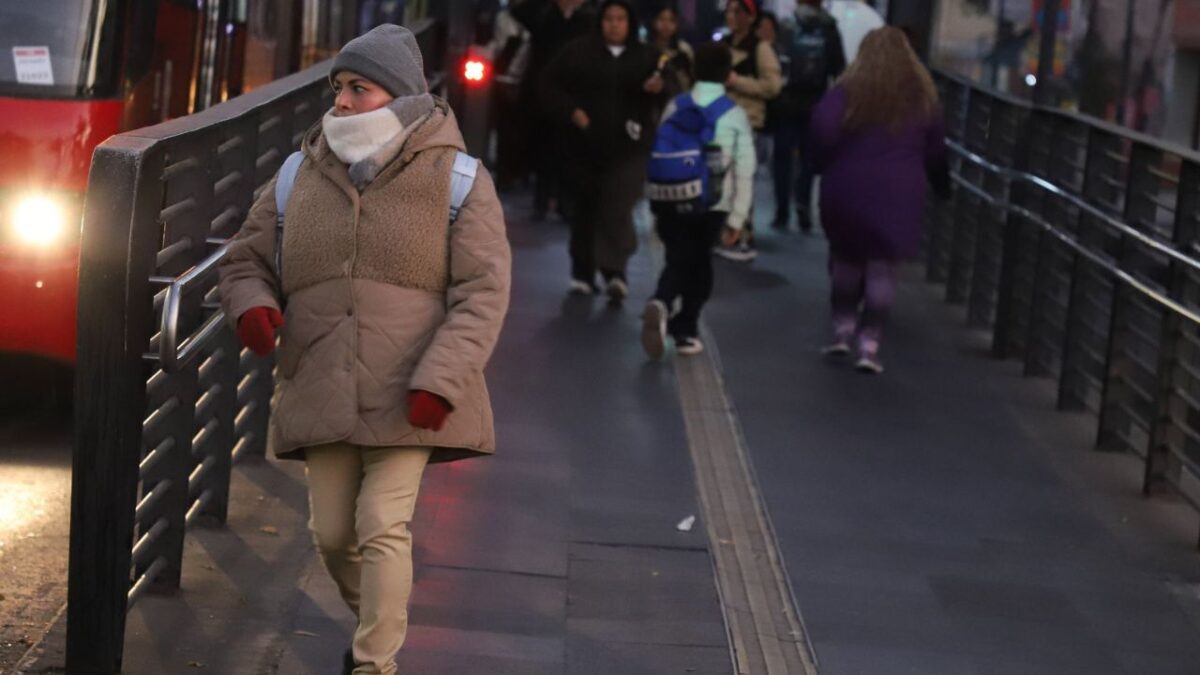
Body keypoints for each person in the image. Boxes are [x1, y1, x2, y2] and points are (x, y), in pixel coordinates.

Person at [217, 25, 512, 675]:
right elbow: (245, 260)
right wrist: (254, 308)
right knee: (332, 535)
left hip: (410, 386)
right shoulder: (301, 170)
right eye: (339, 88)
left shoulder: (458, 178)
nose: (342, 102)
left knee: (382, 523)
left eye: (359, 88)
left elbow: (483, 291)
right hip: (320, 377)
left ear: (400, 96)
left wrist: (442, 377)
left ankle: (375, 663)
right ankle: (381, 618)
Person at [810, 26, 945, 374]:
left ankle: (841, 331)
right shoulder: (922, 97)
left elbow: (823, 131)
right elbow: (935, 152)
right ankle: (869, 346)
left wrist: (820, 166)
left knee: (846, 261)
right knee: (882, 267)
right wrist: (942, 186)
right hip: (899, 194)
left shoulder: (846, 91)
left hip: (846, 188)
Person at [542, 0, 666, 301]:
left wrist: (658, 88)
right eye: (609, 18)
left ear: (630, 22)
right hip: (584, 147)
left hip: (630, 148)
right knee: (584, 209)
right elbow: (548, 84)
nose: (614, 24)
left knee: (617, 206)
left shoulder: (646, 56)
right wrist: (572, 112)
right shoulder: (578, 52)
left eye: (620, 19)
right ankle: (582, 271)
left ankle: (615, 270)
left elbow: (669, 88)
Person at [642, 43, 756, 357]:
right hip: (711, 206)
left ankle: (667, 309)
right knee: (699, 265)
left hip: (669, 199)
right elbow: (745, 170)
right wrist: (737, 218)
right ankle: (681, 323)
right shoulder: (734, 115)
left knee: (679, 257)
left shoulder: (676, 105)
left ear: (692, 71)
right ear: (729, 76)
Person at [511, 0, 597, 221]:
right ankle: (541, 201)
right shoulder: (545, 14)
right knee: (543, 148)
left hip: (577, 91)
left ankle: (565, 203)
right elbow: (519, 10)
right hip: (542, 90)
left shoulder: (590, 17)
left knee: (571, 151)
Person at [716, 0, 782, 262]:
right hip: (722, 121)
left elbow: (772, 85)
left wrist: (737, 81)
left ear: (751, 17)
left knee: (741, 180)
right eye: (730, 11)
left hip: (747, 122)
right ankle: (726, 234)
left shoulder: (760, 49)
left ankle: (743, 236)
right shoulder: (723, 45)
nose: (734, 17)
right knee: (723, 181)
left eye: (740, 12)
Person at [772, 0, 844, 232]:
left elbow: (777, 63)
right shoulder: (829, 28)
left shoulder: (786, 26)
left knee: (782, 157)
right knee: (808, 158)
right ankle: (803, 205)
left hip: (786, 102)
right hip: (816, 101)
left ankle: (781, 210)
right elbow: (838, 67)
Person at [647, 3, 694, 99]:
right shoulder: (645, 49)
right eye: (661, 19)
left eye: (671, 20)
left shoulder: (683, 50)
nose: (666, 25)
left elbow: (691, 80)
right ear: (653, 21)